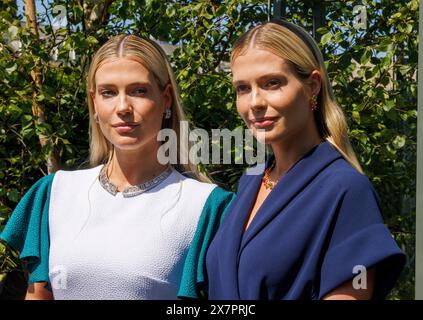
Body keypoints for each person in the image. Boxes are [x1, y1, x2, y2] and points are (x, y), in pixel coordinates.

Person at [0, 34, 234, 300]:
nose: (123, 107)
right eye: (108, 92)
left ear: (166, 98)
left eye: (139, 90)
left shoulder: (207, 206)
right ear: (94, 103)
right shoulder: (55, 193)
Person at [204, 19, 406, 300]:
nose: (254, 103)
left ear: (312, 85)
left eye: (272, 83)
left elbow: (356, 288)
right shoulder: (251, 180)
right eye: (243, 88)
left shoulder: (345, 190)